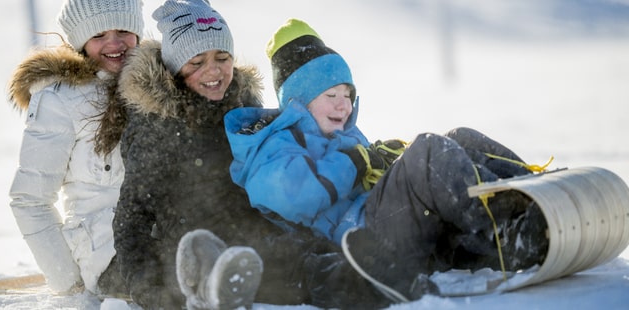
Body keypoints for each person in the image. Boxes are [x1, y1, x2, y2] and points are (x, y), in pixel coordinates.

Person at [225, 18, 550, 302]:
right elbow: (291, 196)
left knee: (459, 137)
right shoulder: (273, 144)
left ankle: (537, 195)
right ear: (299, 101)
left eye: (348, 95)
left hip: (393, 226)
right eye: (331, 96)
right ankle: (510, 232)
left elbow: (365, 172)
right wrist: (356, 162)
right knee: (428, 152)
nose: (344, 106)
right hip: (361, 243)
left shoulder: (342, 134)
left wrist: (384, 158)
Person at [111, 1, 386, 309]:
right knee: (298, 273)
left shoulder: (244, 106)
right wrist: (148, 288)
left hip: (261, 231)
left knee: (319, 256)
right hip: (199, 245)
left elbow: (286, 162)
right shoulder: (156, 126)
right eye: (196, 62)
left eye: (222, 57)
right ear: (175, 69)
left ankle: (385, 277)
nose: (213, 70)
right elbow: (131, 217)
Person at [6, 0, 144, 297]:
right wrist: (70, 285)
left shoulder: (155, 88)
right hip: (106, 254)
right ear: (80, 41)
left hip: (160, 239)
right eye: (98, 35)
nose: (115, 43)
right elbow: (30, 200)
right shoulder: (60, 100)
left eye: (123, 30)